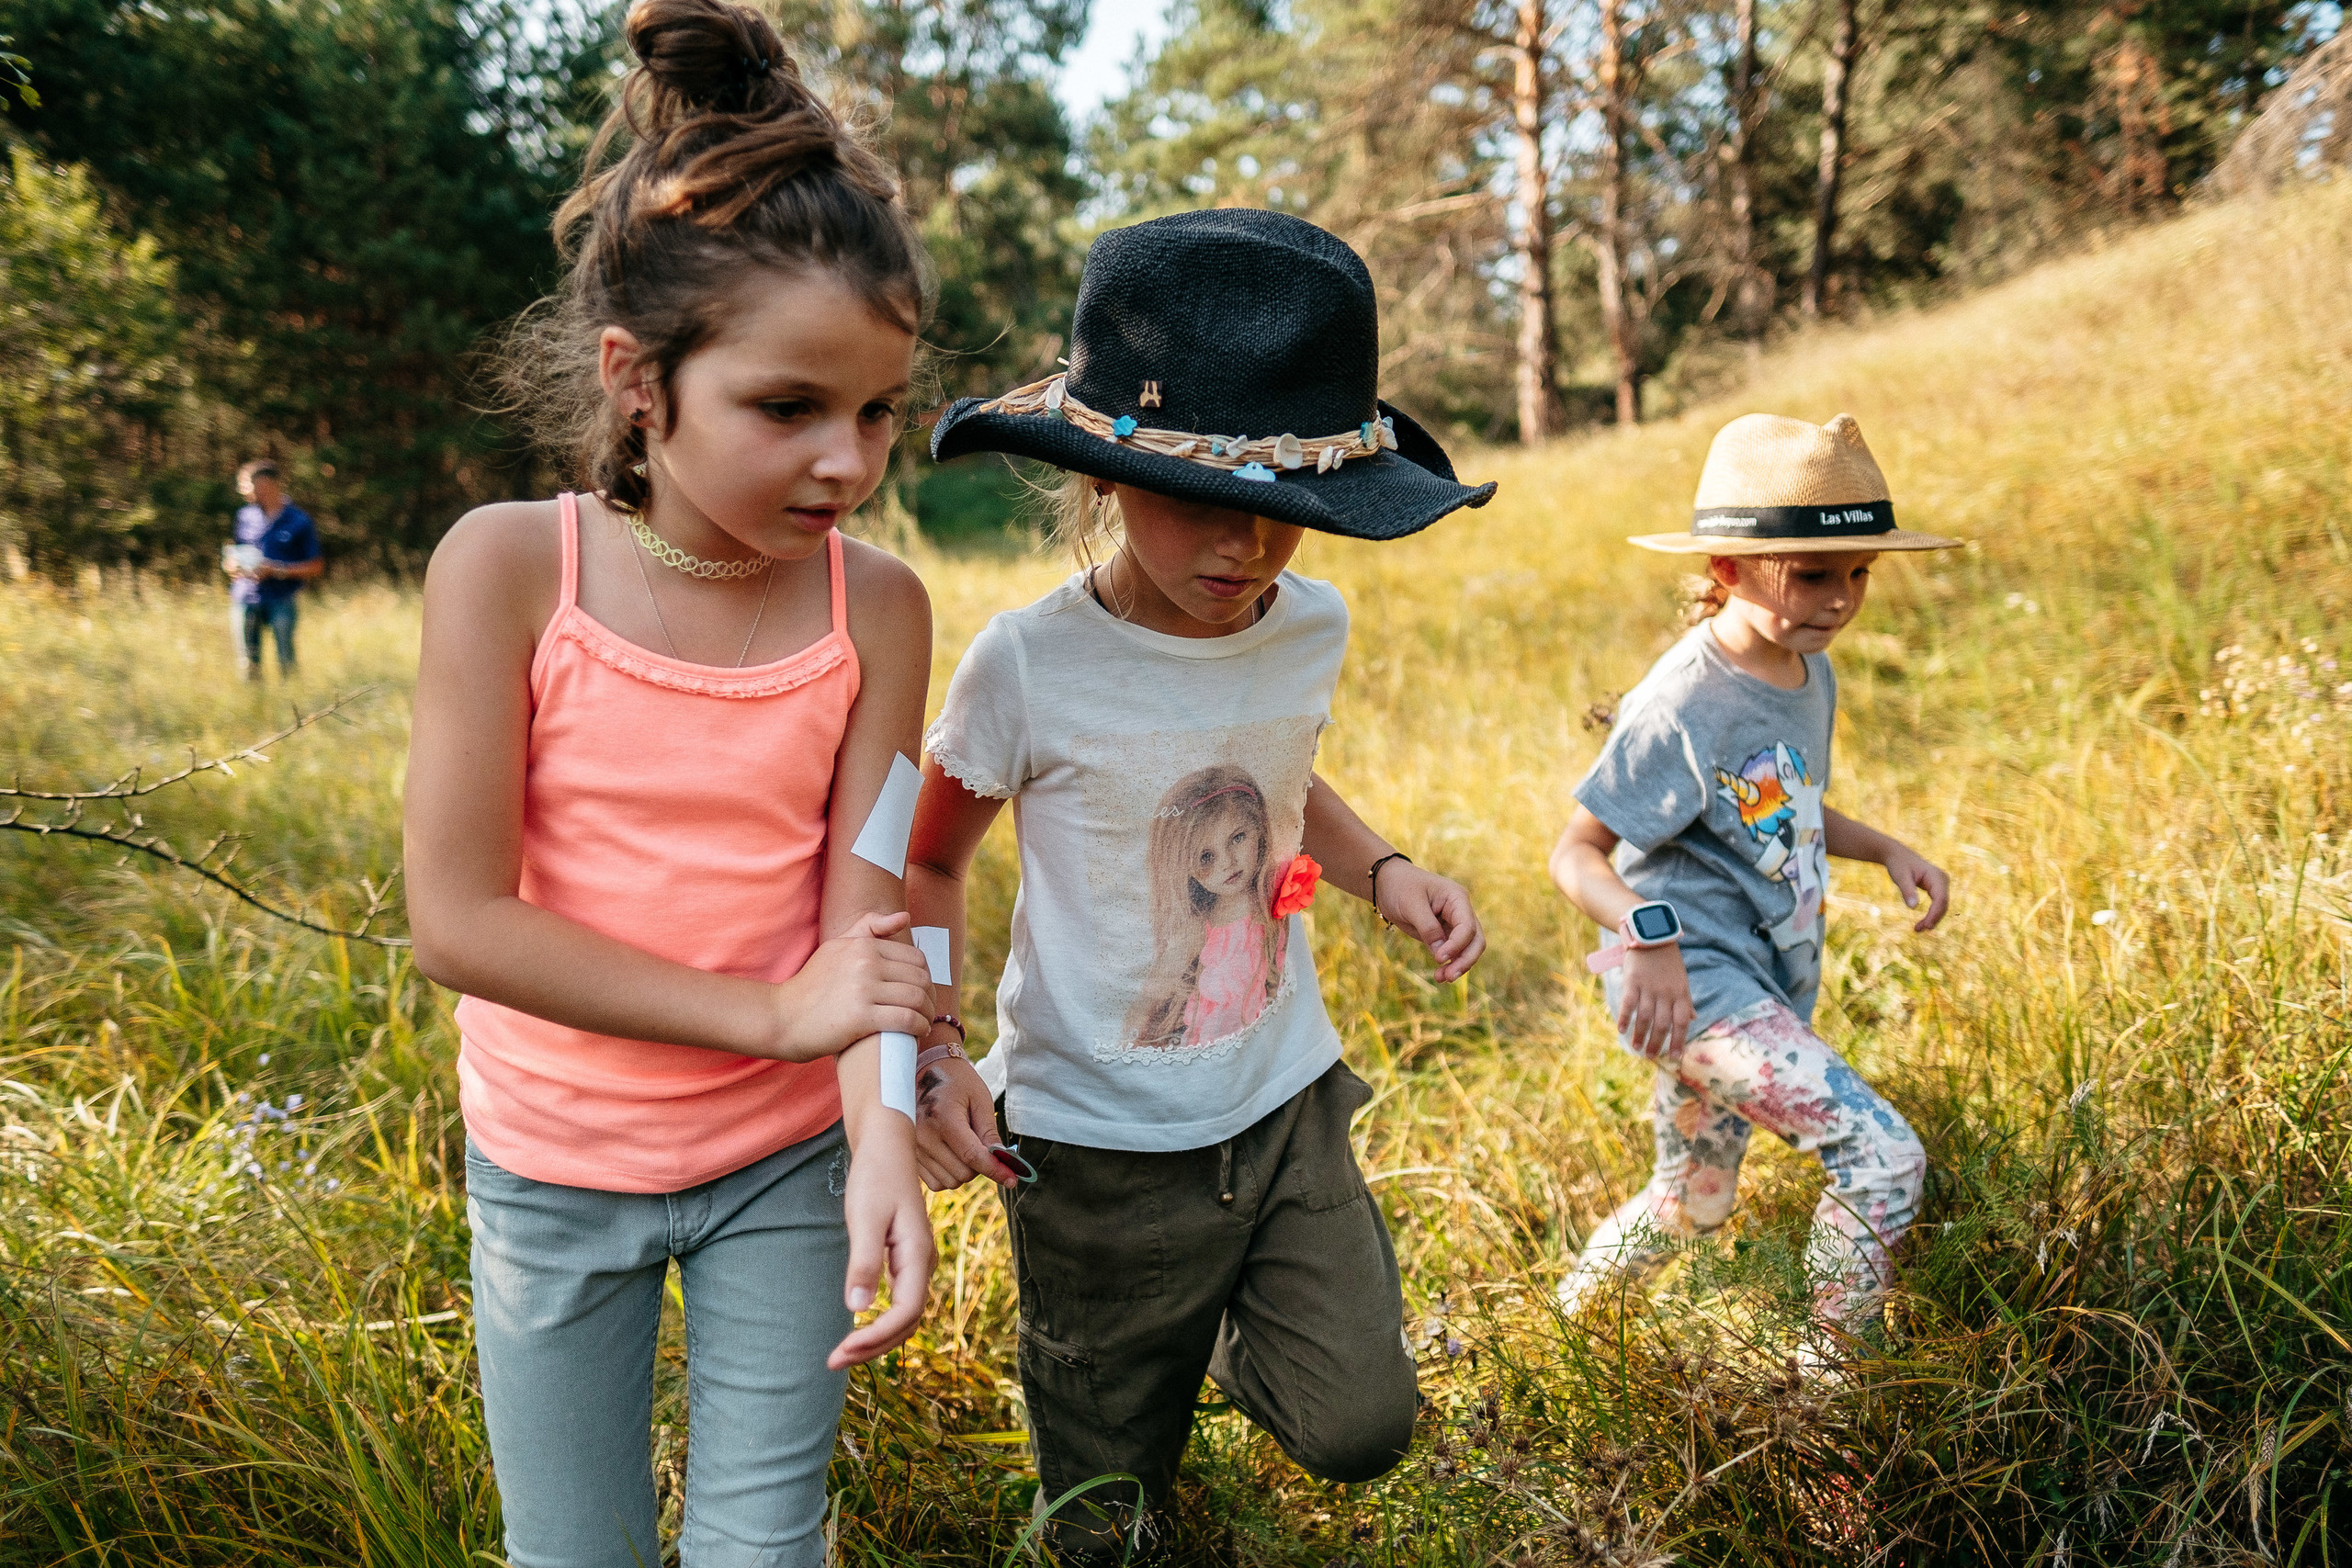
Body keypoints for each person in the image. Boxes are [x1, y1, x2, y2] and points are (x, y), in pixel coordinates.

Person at [399, 3, 940, 1562]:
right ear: (641, 380)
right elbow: (456, 917)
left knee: (763, 1548)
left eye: (879, 411)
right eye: (789, 408)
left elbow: (869, 906)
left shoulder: (881, 609)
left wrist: (885, 1138)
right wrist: (773, 1015)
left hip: (787, 1158)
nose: (848, 461)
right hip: (552, 1165)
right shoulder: (509, 569)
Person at [904, 209, 1493, 1562]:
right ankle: (1148, 1372)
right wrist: (932, 1047)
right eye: (1203, 502)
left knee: (1362, 1423)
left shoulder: (1311, 627)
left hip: (1281, 1098)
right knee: (1107, 1516)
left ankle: (1229, 1318)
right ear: (1104, 474)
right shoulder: (1027, 665)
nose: (1246, 549)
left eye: (1287, 516)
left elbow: (1278, 774)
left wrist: (1385, 868)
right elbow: (932, 856)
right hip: (1093, 1145)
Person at [1547, 412, 1958, 1350]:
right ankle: (1831, 1386)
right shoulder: (1683, 698)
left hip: (1760, 982)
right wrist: (1647, 936)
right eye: (1813, 575)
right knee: (1881, 1154)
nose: (1843, 598)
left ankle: (1566, 1332)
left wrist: (1886, 848)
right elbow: (1573, 853)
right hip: (1689, 989)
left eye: (1859, 573)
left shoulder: (1805, 669)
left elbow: (1784, 805)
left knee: (1693, 1196)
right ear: (1725, 572)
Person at [224, 459, 322, 679]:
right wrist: (231, 564)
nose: (242, 490)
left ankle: (293, 707)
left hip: (282, 599)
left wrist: (277, 570)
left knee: (286, 660)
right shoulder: (244, 516)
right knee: (248, 665)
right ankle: (254, 708)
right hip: (245, 598)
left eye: (246, 485)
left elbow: (316, 566)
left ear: (266, 484)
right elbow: (235, 550)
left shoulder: (299, 520)